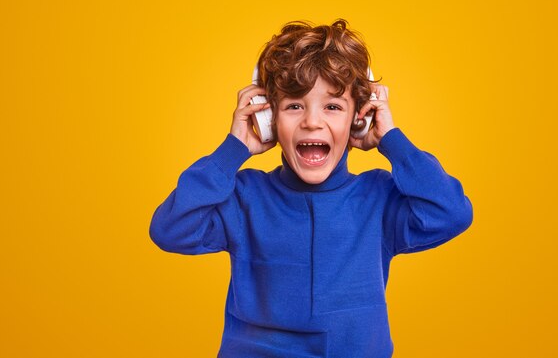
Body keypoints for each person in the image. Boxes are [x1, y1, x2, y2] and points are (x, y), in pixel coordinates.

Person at [149, 19, 473, 358]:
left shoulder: (379, 198)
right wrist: (233, 148)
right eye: (293, 106)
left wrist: (392, 141)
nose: (311, 121)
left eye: (333, 107)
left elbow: (451, 212)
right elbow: (170, 229)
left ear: (359, 119)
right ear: (268, 118)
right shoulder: (244, 198)